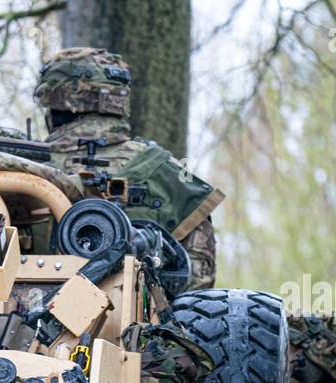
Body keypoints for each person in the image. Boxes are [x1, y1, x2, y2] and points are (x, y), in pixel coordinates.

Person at [33, 48, 220, 291]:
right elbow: (198, 289)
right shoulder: (172, 178)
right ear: (120, 100)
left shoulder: (14, 169)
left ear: (52, 101)